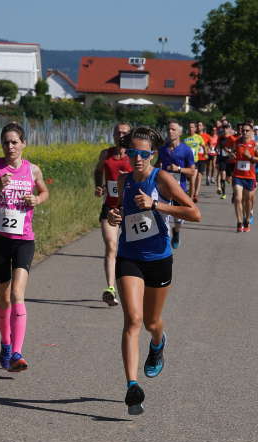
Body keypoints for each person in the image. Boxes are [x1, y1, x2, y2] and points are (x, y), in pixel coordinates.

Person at [106, 126, 201, 415]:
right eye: (132, 152)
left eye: (143, 154)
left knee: (151, 322)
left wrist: (157, 205)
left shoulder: (161, 178)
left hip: (159, 257)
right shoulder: (123, 181)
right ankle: (132, 387)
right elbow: (116, 210)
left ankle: (158, 342)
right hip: (129, 255)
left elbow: (194, 213)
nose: (137, 158)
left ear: (152, 155)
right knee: (132, 320)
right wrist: (114, 214)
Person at [0, 123, 49, 372]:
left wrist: (37, 199)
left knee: (18, 294)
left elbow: (44, 191)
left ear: (23, 144)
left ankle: (17, 352)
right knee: (4, 296)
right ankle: (6, 343)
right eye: (6, 142)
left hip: (23, 240)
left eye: (14, 142)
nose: (10, 147)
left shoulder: (33, 170)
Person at [93, 123, 132, 306]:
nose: (121, 135)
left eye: (124, 133)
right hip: (110, 207)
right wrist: (99, 186)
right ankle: (110, 288)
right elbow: (98, 170)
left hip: (131, 209)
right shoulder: (106, 154)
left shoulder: (134, 156)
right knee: (111, 245)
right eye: (118, 132)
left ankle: (134, 286)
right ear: (113, 134)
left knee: (131, 250)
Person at [156, 120, 196, 249]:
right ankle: (165, 243)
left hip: (179, 189)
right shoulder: (162, 149)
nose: (170, 132)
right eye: (168, 129)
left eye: (173, 129)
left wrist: (178, 169)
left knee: (178, 218)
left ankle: (177, 232)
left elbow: (192, 171)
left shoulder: (186, 150)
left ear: (179, 132)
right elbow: (157, 165)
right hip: (164, 189)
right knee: (163, 215)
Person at [232, 124, 258, 233]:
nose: (244, 132)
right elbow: (233, 153)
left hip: (249, 176)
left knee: (248, 200)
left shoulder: (255, 144)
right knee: (238, 198)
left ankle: (246, 219)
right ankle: (239, 222)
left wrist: (250, 157)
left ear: (251, 132)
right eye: (243, 130)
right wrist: (232, 156)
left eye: (247, 131)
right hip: (238, 175)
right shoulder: (237, 142)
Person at [182, 122, 205, 203]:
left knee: (192, 180)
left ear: (195, 129)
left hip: (194, 162)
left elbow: (203, 146)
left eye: (192, 127)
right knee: (185, 179)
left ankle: (191, 199)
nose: (190, 129)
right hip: (185, 163)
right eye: (189, 127)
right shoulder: (184, 138)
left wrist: (205, 154)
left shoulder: (198, 137)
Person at [196, 121, 213, 186]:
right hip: (194, 157)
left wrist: (207, 149)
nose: (198, 127)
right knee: (194, 175)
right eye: (197, 125)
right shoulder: (194, 135)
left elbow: (211, 145)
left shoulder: (207, 136)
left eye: (200, 125)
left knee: (199, 175)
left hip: (202, 158)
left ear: (203, 127)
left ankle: (196, 193)